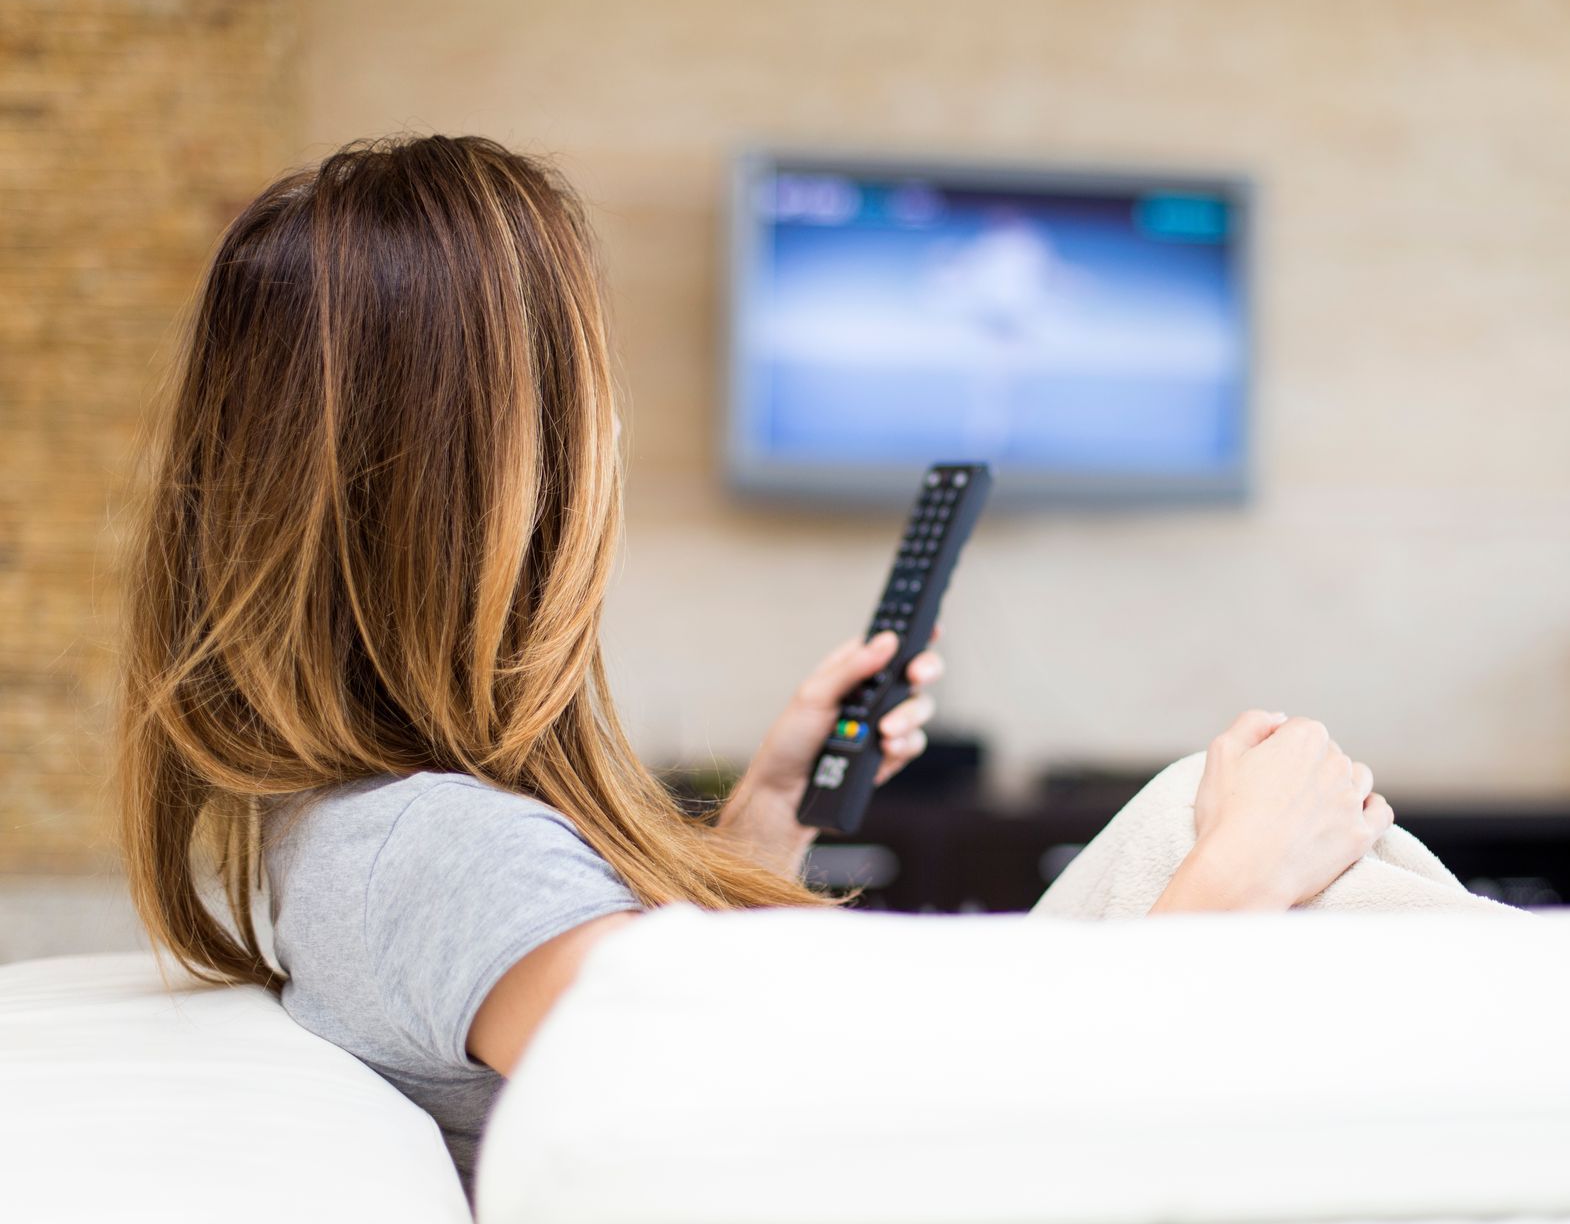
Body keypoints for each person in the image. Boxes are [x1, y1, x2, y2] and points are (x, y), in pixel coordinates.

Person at [117, 135, 1395, 1195]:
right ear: (497, 471)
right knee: (1266, 830)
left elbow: (667, 1039)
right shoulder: (439, 852)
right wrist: (1231, 880)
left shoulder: (354, 825)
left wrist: (770, 810)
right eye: (585, 389)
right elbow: (852, 1165)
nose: (612, 428)